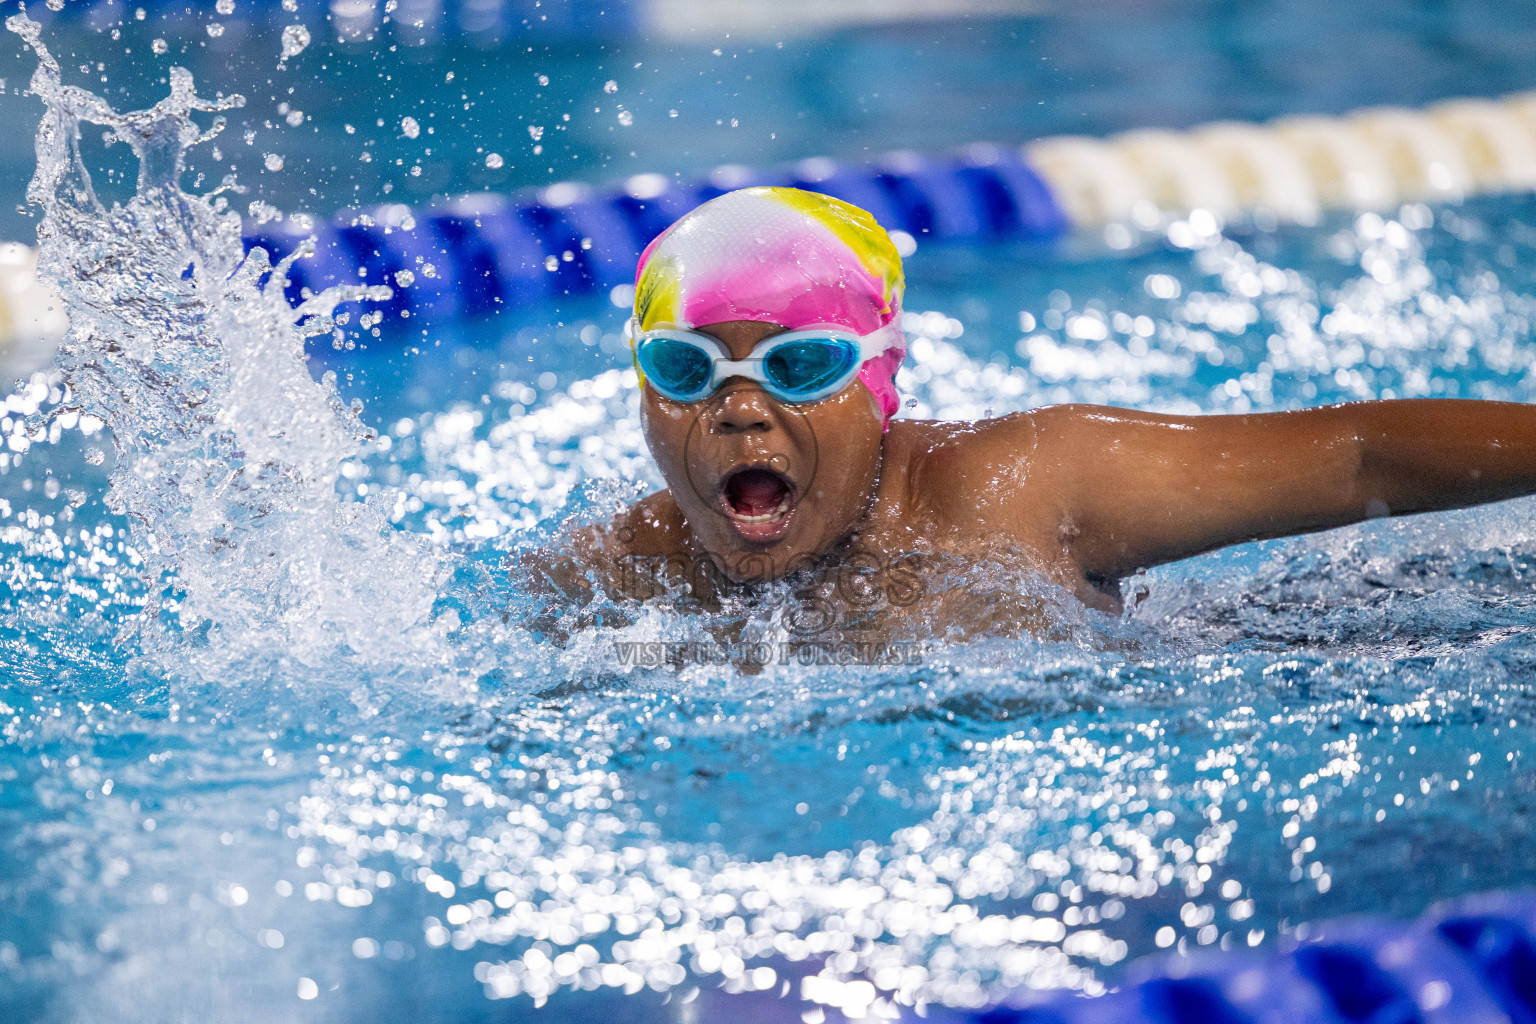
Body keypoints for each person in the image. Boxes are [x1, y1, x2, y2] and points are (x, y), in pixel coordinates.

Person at [536, 185, 1536, 641]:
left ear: (882, 386)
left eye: (799, 366)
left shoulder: (1020, 487)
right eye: (685, 366)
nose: (740, 409)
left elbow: (1357, 457)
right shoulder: (612, 576)